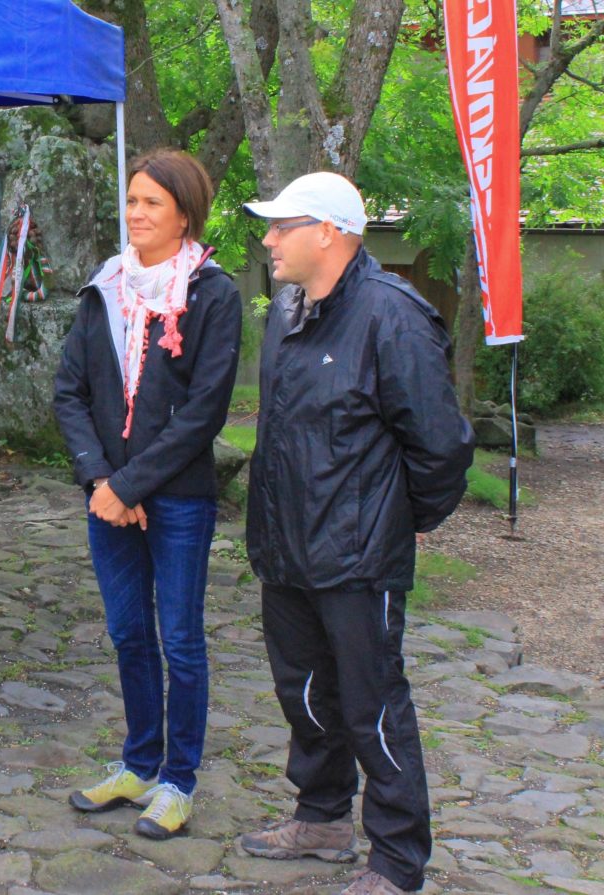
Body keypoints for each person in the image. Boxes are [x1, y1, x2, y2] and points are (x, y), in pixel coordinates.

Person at [239, 172, 474, 895]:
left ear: (329, 232)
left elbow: (441, 446)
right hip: (287, 547)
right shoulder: (287, 311)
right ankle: (321, 817)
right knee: (305, 693)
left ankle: (397, 860)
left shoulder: (391, 316)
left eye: (283, 226)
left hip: (357, 557)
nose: (269, 240)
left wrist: (401, 521)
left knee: (374, 705)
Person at [53, 149, 242, 839]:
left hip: (180, 498)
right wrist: (102, 480)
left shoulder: (212, 293)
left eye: (152, 202)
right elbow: (69, 391)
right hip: (108, 495)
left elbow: (203, 412)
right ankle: (138, 764)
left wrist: (131, 483)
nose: (135, 213)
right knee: (129, 632)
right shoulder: (104, 286)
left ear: (185, 214)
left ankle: (178, 781)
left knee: (180, 639)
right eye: (132, 199)